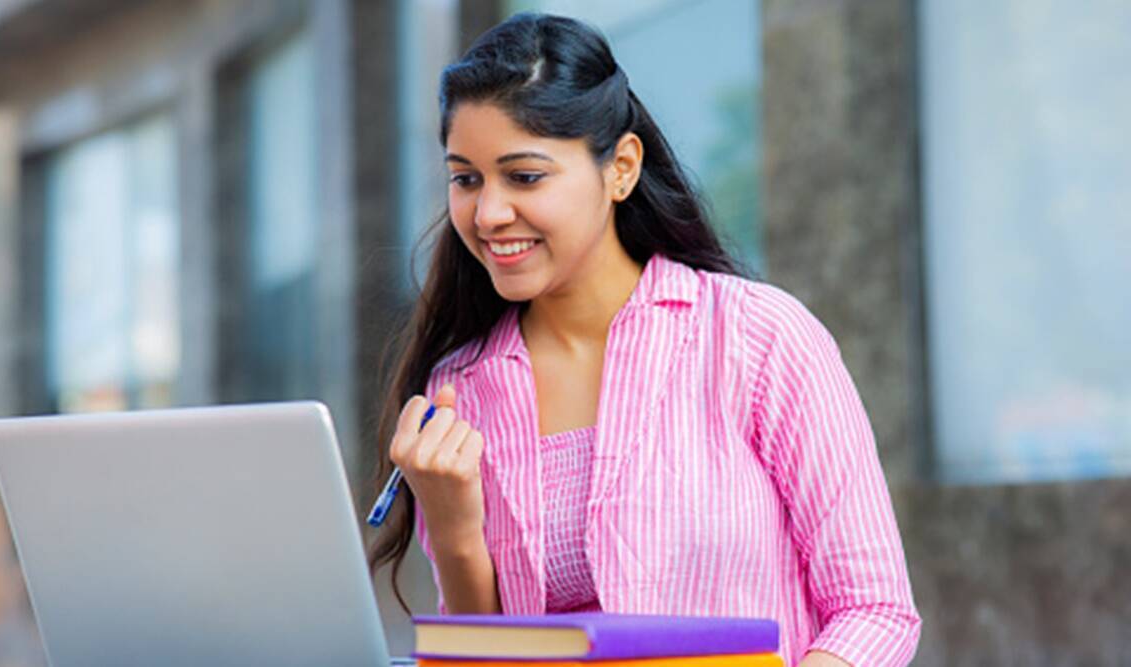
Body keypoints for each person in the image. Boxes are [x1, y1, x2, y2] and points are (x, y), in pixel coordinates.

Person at [367, 12, 920, 667]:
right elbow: (488, 654)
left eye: (524, 176)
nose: (488, 214)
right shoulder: (460, 391)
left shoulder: (757, 338)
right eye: (466, 178)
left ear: (621, 167)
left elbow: (875, 610)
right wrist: (456, 529)